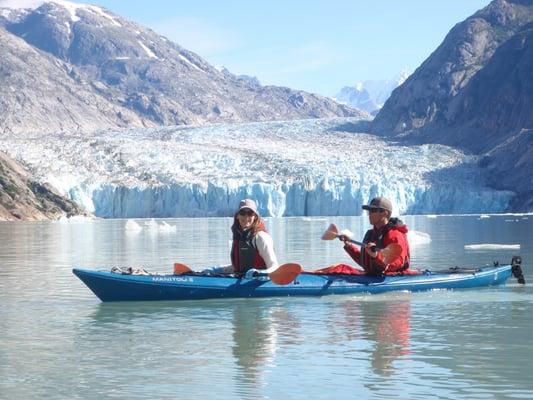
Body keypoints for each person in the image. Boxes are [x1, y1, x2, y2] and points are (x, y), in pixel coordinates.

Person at [203, 199, 279, 278]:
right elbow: (239, 267)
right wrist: (217, 270)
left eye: (250, 213)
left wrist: (259, 273)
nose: (246, 217)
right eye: (243, 213)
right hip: (242, 282)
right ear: (237, 216)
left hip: (258, 283)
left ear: (255, 216)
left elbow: (274, 267)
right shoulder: (239, 237)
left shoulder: (261, 237)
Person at [340, 197, 411, 275]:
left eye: (373, 210)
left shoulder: (395, 235)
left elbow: (398, 263)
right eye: (369, 211)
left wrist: (376, 256)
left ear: (385, 213)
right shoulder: (371, 234)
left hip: (391, 277)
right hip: (373, 276)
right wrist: (349, 246)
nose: (369, 214)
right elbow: (365, 262)